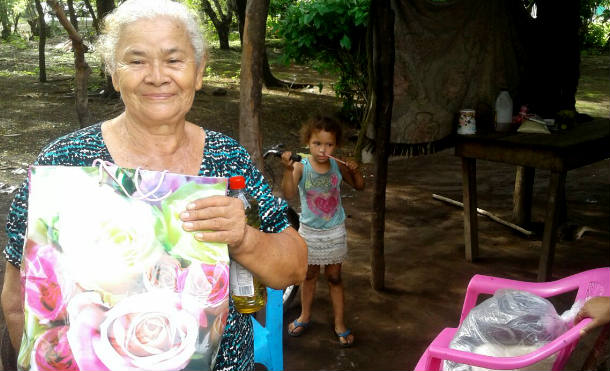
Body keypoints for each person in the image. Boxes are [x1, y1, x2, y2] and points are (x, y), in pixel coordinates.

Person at [0, 0, 307, 369]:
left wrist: (244, 238)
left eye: (174, 60)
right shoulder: (64, 162)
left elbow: (294, 267)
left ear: (199, 71)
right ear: (114, 73)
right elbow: (18, 299)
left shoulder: (229, 160)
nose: (157, 75)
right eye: (137, 60)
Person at [280, 115, 364, 347]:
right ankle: (305, 316)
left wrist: (355, 170)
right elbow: (287, 193)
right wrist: (287, 170)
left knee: (335, 278)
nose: (323, 149)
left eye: (329, 144)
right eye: (317, 143)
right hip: (309, 232)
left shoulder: (337, 165)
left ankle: (339, 323)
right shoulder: (300, 166)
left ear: (335, 145)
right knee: (309, 276)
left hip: (335, 231)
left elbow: (359, 185)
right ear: (308, 142)